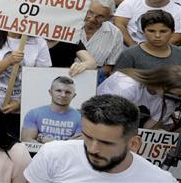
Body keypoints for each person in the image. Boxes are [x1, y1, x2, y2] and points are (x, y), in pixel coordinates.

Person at [24, 94, 175, 182]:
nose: (93, 149)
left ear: (134, 144)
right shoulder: (54, 154)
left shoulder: (159, 180)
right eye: (87, 137)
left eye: (106, 143)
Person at [97, 66, 181, 130]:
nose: (174, 98)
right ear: (161, 83)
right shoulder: (127, 87)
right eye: (171, 94)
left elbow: (147, 130)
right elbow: (108, 121)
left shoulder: (169, 101)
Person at [21, 76, 82, 144]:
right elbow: (27, 141)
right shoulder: (33, 114)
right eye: (59, 91)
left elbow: (77, 146)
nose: (63, 95)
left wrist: (45, 140)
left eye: (68, 92)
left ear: (74, 95)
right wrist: (66, 143)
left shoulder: (81, 118)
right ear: (50, 92)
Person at [114, 9, 181, 70]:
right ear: (143, 32)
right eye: (151, 31)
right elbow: (117, 81)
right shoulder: (129, 55)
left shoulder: (179, 53)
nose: (157, 35)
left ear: (172, 32)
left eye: (163, 31)